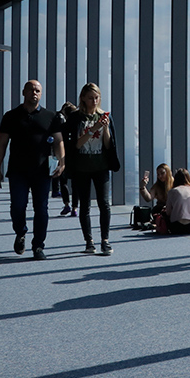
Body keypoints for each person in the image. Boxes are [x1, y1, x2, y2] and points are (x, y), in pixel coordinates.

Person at [0, 80, 66, 260]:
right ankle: (21, 232)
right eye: (31, 90)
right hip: (18, 171)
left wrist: (62, 163)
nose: (35, 93)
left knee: (41, 208)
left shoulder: (51, 116)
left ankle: (38, 246)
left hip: (42, 171)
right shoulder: (11, 116)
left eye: (38, 91)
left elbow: (59, 141)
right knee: (18, 207)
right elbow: (1, 144)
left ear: (41, 94)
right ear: (23, 92)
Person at [64, 82, 119, 256]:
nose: (94, 101)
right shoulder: (76, 118)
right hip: (81, 167)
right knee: (85, 205)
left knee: (104, 203)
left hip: (101, 166)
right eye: (90, 98)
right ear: (83, 99)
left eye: (97, 98)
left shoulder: (105, 116)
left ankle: (105, 240)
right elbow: (76, 145)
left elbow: (109, 145)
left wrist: (105, 129)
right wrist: (93, 129)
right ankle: (89, 241)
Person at [52, 101, 78, 217]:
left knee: (63, 182)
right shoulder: (77, 128)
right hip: (76, 157)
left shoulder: (61, 128)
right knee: (76, 183)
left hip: (63, 157)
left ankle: (67, 204)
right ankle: (75, 208)